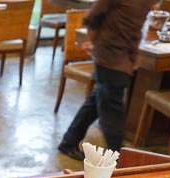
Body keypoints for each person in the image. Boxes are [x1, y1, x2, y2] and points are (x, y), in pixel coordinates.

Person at [57, 0, 155, 161]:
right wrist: (96, 44)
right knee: (113, 112)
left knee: (96, 102)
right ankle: (119, 159)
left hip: (120, 58)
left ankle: (69, 142)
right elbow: (91, 18)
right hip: (111, 58)